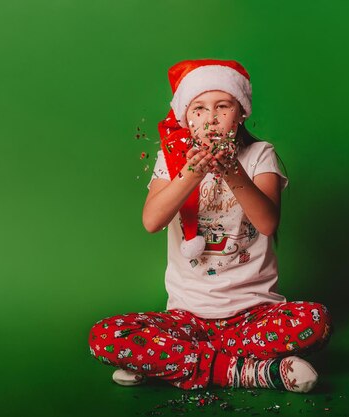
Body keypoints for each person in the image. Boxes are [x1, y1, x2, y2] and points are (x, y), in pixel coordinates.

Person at [88, 59, 331, 393]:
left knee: (315, 321)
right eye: (199, 109)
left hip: (253, 315)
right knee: (107, 336)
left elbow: (267, 222)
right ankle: (248, 372)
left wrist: (231, 169)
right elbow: (151, 221)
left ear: (240, 112)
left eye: (222, 106)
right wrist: (193, 172)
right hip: (187, 319)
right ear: (186, 117)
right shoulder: (170, 160)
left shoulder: (260, 155)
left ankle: (169, 364)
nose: (210, 118)